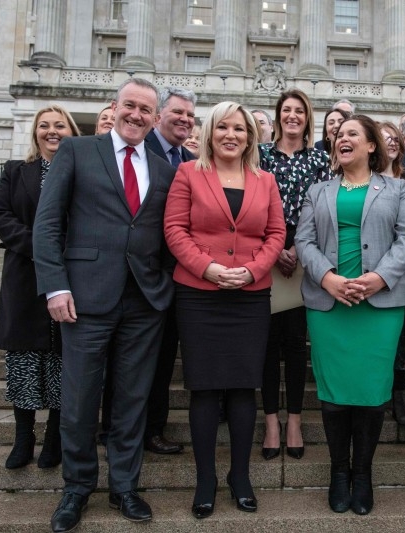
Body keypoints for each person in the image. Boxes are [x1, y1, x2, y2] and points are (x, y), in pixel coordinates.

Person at [33, 78, 177, 532]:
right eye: (129, 106)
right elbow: (48, 222)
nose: (136, 115)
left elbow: (167, 233)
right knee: (78, 400)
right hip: (85, 297)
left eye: (146, 110)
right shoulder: (76, 151)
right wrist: (55, 287)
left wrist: (167, 289)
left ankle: (124, 487)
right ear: (114, 108)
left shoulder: (164, 167)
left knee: (132, 400)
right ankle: (76, 488)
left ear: (156, 119)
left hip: (144, 301)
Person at [164, 101, 286, 520]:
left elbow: (276, 232)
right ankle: (205, 479)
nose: (231, 135)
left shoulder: (265, 180)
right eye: (223, 128)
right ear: (211, 133)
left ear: (250, 136)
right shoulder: (187, 174)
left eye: (240, 128)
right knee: (204, 388)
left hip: (250, 295)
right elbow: (175, 229)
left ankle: (240, 475)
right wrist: (209, 268)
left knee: (242, 387)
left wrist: (251, 271)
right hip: (199, 293)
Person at [295, 114, 405, 516]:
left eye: (352, 134)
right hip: (329, 304)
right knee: (333, 393)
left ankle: (362, 474)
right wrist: (328, 278)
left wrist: (380, 278)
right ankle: (338, 473)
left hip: (379, 305)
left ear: (371, 145)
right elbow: (304, 239)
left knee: (370, 393)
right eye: (338, 134)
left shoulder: (398, 189)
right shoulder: (318, 190)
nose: (341, 138)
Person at [0, 105, 80, 471]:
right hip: (24, 276)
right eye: (44, 126)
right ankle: (23, 436)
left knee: (62, 361)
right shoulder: (16, 170)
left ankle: (54, 437)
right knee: (23, 361)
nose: (52, 131)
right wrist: (38, 246)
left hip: (69, 275)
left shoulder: (81, 172)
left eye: (60, 125)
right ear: (35, 132)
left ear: (72, 131)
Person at [258, 89, 330, 461]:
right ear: (277, 116)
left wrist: (298, 248)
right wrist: (274, 249)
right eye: (286, 110)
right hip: (265, 255)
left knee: (296, 345)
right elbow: (253, 205)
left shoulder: (321, 159)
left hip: (307, 256)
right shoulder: (260, 156)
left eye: (298, 111)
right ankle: (272, 422)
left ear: (307, 117)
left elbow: (322, 211)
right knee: (268, 346)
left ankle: (296, 421)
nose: (292, 116)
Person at [141, 86, 197, 455]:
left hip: (181, 275)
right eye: (177, 113)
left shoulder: (192, 160)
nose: (184, 120)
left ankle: (153, 429)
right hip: (142, 274)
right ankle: (121, 428)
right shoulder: (139, 151)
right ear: (159, 115)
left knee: (162, 361)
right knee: (137, 360)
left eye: (191, 116)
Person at [378, 120, 405, 427]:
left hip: (403, 268)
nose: (391, 142)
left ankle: (399, 395)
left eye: (394, 138)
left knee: (402, 340)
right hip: (368, 266)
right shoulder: (361, 177)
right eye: (384, 138)